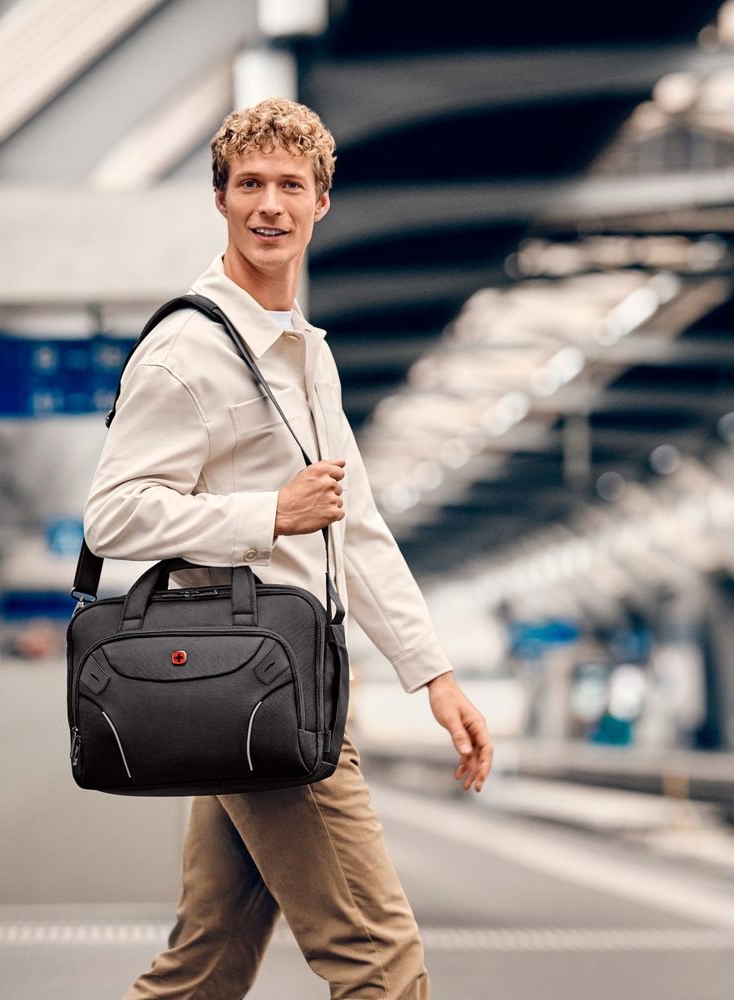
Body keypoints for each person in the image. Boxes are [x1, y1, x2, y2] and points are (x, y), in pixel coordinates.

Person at [84, 98, 492, 1000]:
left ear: (321, 204)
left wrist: (435, 675)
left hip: (271, 688)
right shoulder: (185, 352)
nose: (271, 204)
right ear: (222, 201)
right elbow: (110, 516)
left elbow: (358, 526)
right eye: (251, 185)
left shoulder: (307, 353)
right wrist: (264, 514)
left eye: (291, 186)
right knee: (384, 967)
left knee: (202, 973)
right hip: (263, 684)